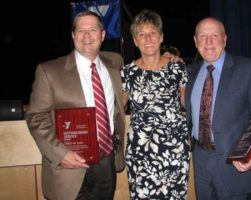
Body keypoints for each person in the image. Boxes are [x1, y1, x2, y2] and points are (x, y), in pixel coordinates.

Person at [25, 10, 125, 200]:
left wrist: (168, 57)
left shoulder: (115, 63)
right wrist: (60, 153)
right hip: (67, 166)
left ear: (102, 35)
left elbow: (145, 66)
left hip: (106, 162)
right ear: (73, 36)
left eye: (93, 30)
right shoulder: (49, 71)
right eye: (81, 30)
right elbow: (35, 116)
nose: (87, 36)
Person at [185, 17, 251, 200]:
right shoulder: (189, 72)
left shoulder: (248, 69)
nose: (208, 42)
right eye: (202, 36)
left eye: (215, 35)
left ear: (225, 39)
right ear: (195, 41)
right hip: (201, 160)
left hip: (236, 164)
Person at [121, 10, 191, 199]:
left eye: (152, 32)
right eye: (141, 34)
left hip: (174, 149)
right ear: (135, 41)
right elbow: (116, 108)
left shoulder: (178, 68)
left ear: (161, 37)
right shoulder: (127, 73)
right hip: (141, 151)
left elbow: (188, 103)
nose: (148, 38)